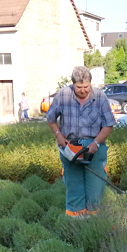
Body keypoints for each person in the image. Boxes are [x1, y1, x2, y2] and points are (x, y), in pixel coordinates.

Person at [47, 66, 116, 217]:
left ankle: (94, 224)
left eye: (86, 87)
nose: (83, 90)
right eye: (79, 87)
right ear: (73, 84)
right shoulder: (63, 95)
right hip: (71, 148)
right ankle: (75, 224)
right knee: (74, 189)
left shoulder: (100, 96)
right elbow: (51, 119)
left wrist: (96, 143)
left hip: (94, 150)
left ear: (90, 83)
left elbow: (108, 124)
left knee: (95, 192)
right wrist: (58, 134)